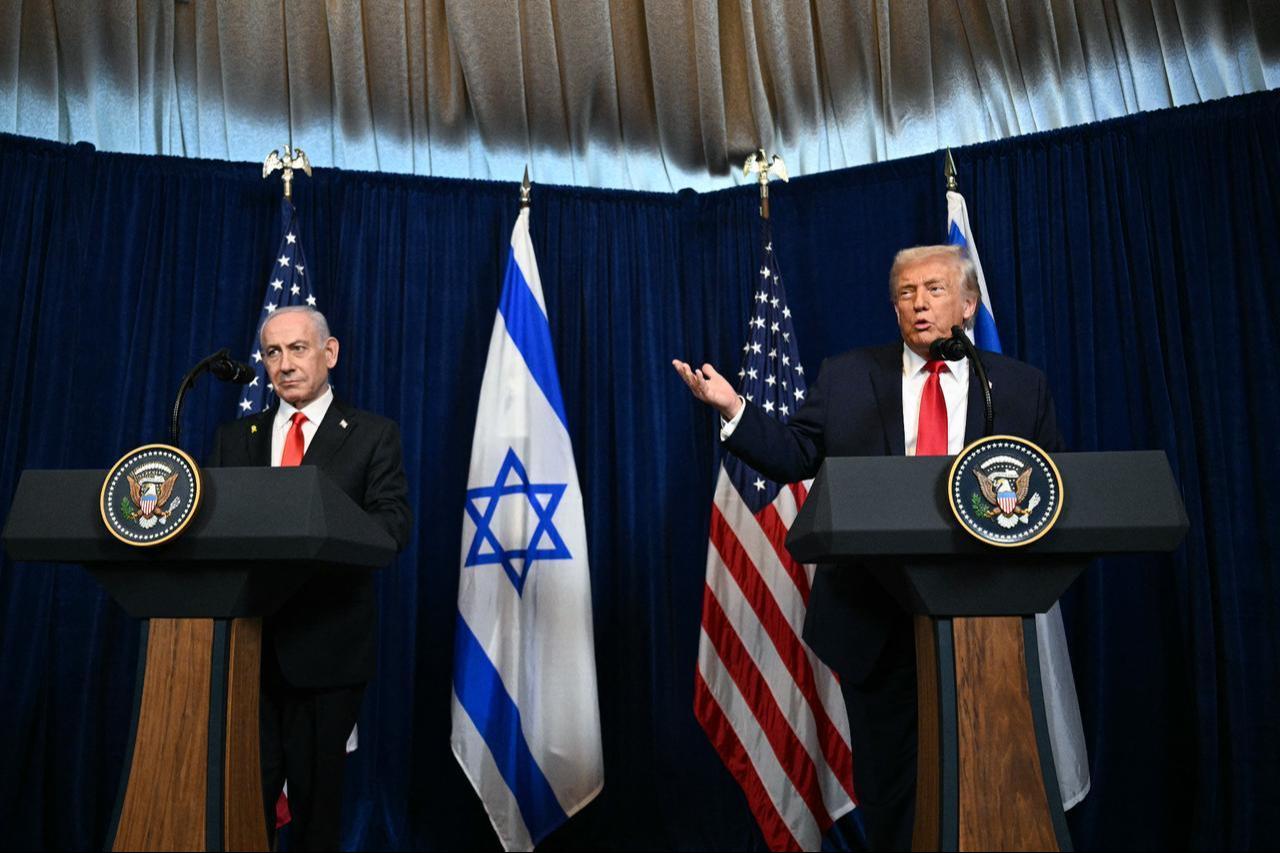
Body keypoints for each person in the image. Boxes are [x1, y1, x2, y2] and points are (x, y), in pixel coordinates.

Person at [673, 244, 1064, 851]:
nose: (919, 304)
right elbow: (795, 452)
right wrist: (732, 408)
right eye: (906, 293)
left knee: (992, 782)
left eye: (934, 290)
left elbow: (1049, 493)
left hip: (985, 620)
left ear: (967, 302)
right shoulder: (849, 377)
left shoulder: (1016, 388)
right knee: (895, 795)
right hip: (876, 620)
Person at [208, 305, 412, 850]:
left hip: (327, 655)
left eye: (298, 348)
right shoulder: (235, 438)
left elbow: (391, 527)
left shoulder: (372, 435)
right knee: (238, 805)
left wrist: (319, 531)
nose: (284, 364)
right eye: (272, 352)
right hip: (245, 652)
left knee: (316, 812)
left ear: (330, 353)